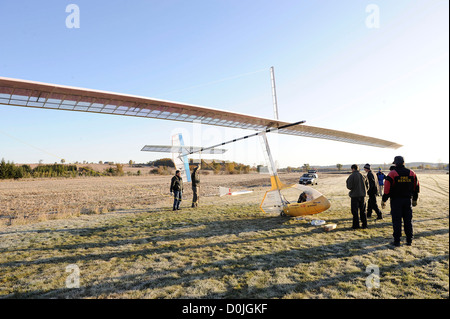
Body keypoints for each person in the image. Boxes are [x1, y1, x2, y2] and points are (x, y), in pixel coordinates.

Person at [381, 156, 420, 247]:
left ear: (395, 163)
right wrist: (415, 198)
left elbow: (387, 189)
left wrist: (384, 199)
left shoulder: (392, 174)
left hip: (396, 201)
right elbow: (416, 187)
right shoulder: (411, 173)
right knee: (408, 221)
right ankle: (409, 240)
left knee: (397, 221)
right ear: (403, 163)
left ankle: (397, 241)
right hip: (407, 200)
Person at [346, 164, 369, 229]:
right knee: (363, 211)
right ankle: (364, 225)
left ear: (353, 169)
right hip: (363, 196)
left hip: (354, 196)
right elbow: (368, 186)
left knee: (355, 212)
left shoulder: (351, 176)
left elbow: (349, 186)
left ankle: (356, 225)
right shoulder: (363, 175)